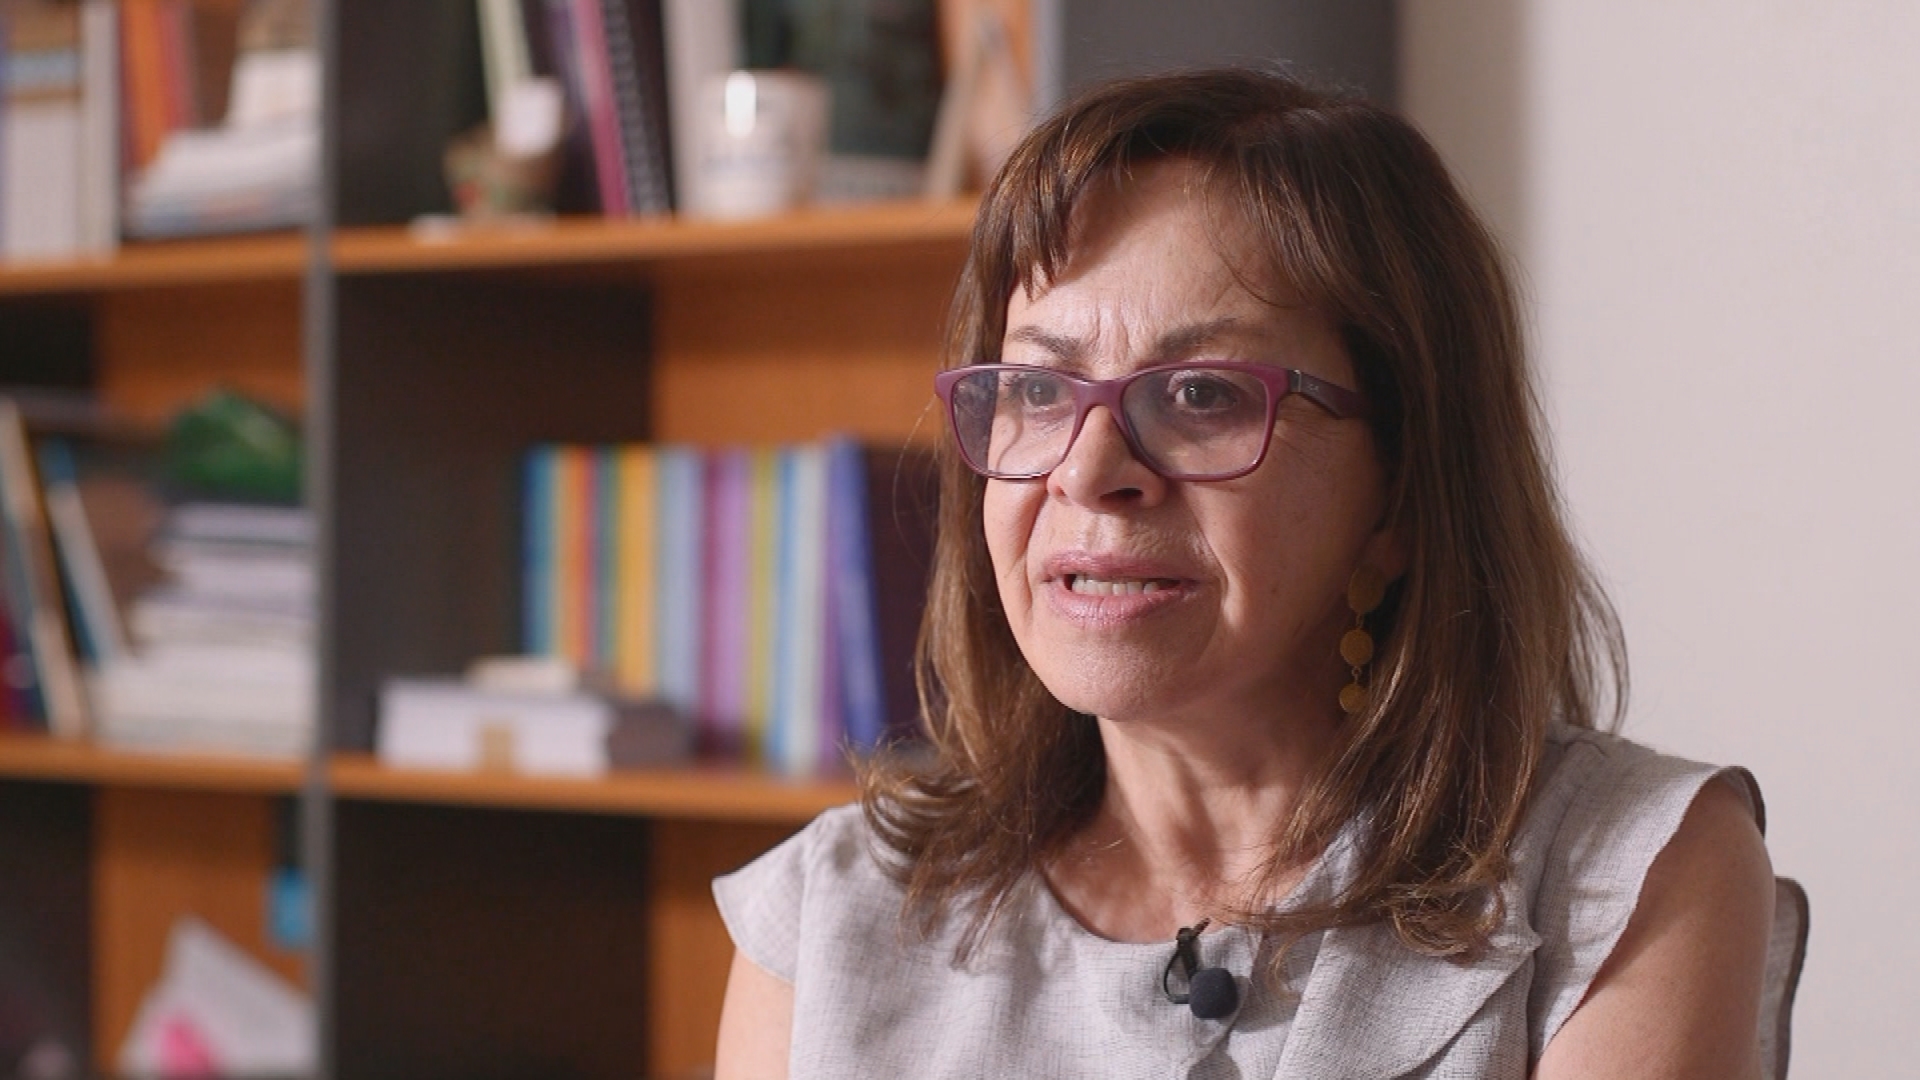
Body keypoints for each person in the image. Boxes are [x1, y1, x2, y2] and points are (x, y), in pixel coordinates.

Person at [711, 68, 1774, 1079]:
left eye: (1203, 394)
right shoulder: (823, 920)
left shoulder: (1626, 872)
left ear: (1402, 491)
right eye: (1036, 390)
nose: (1088, 471)